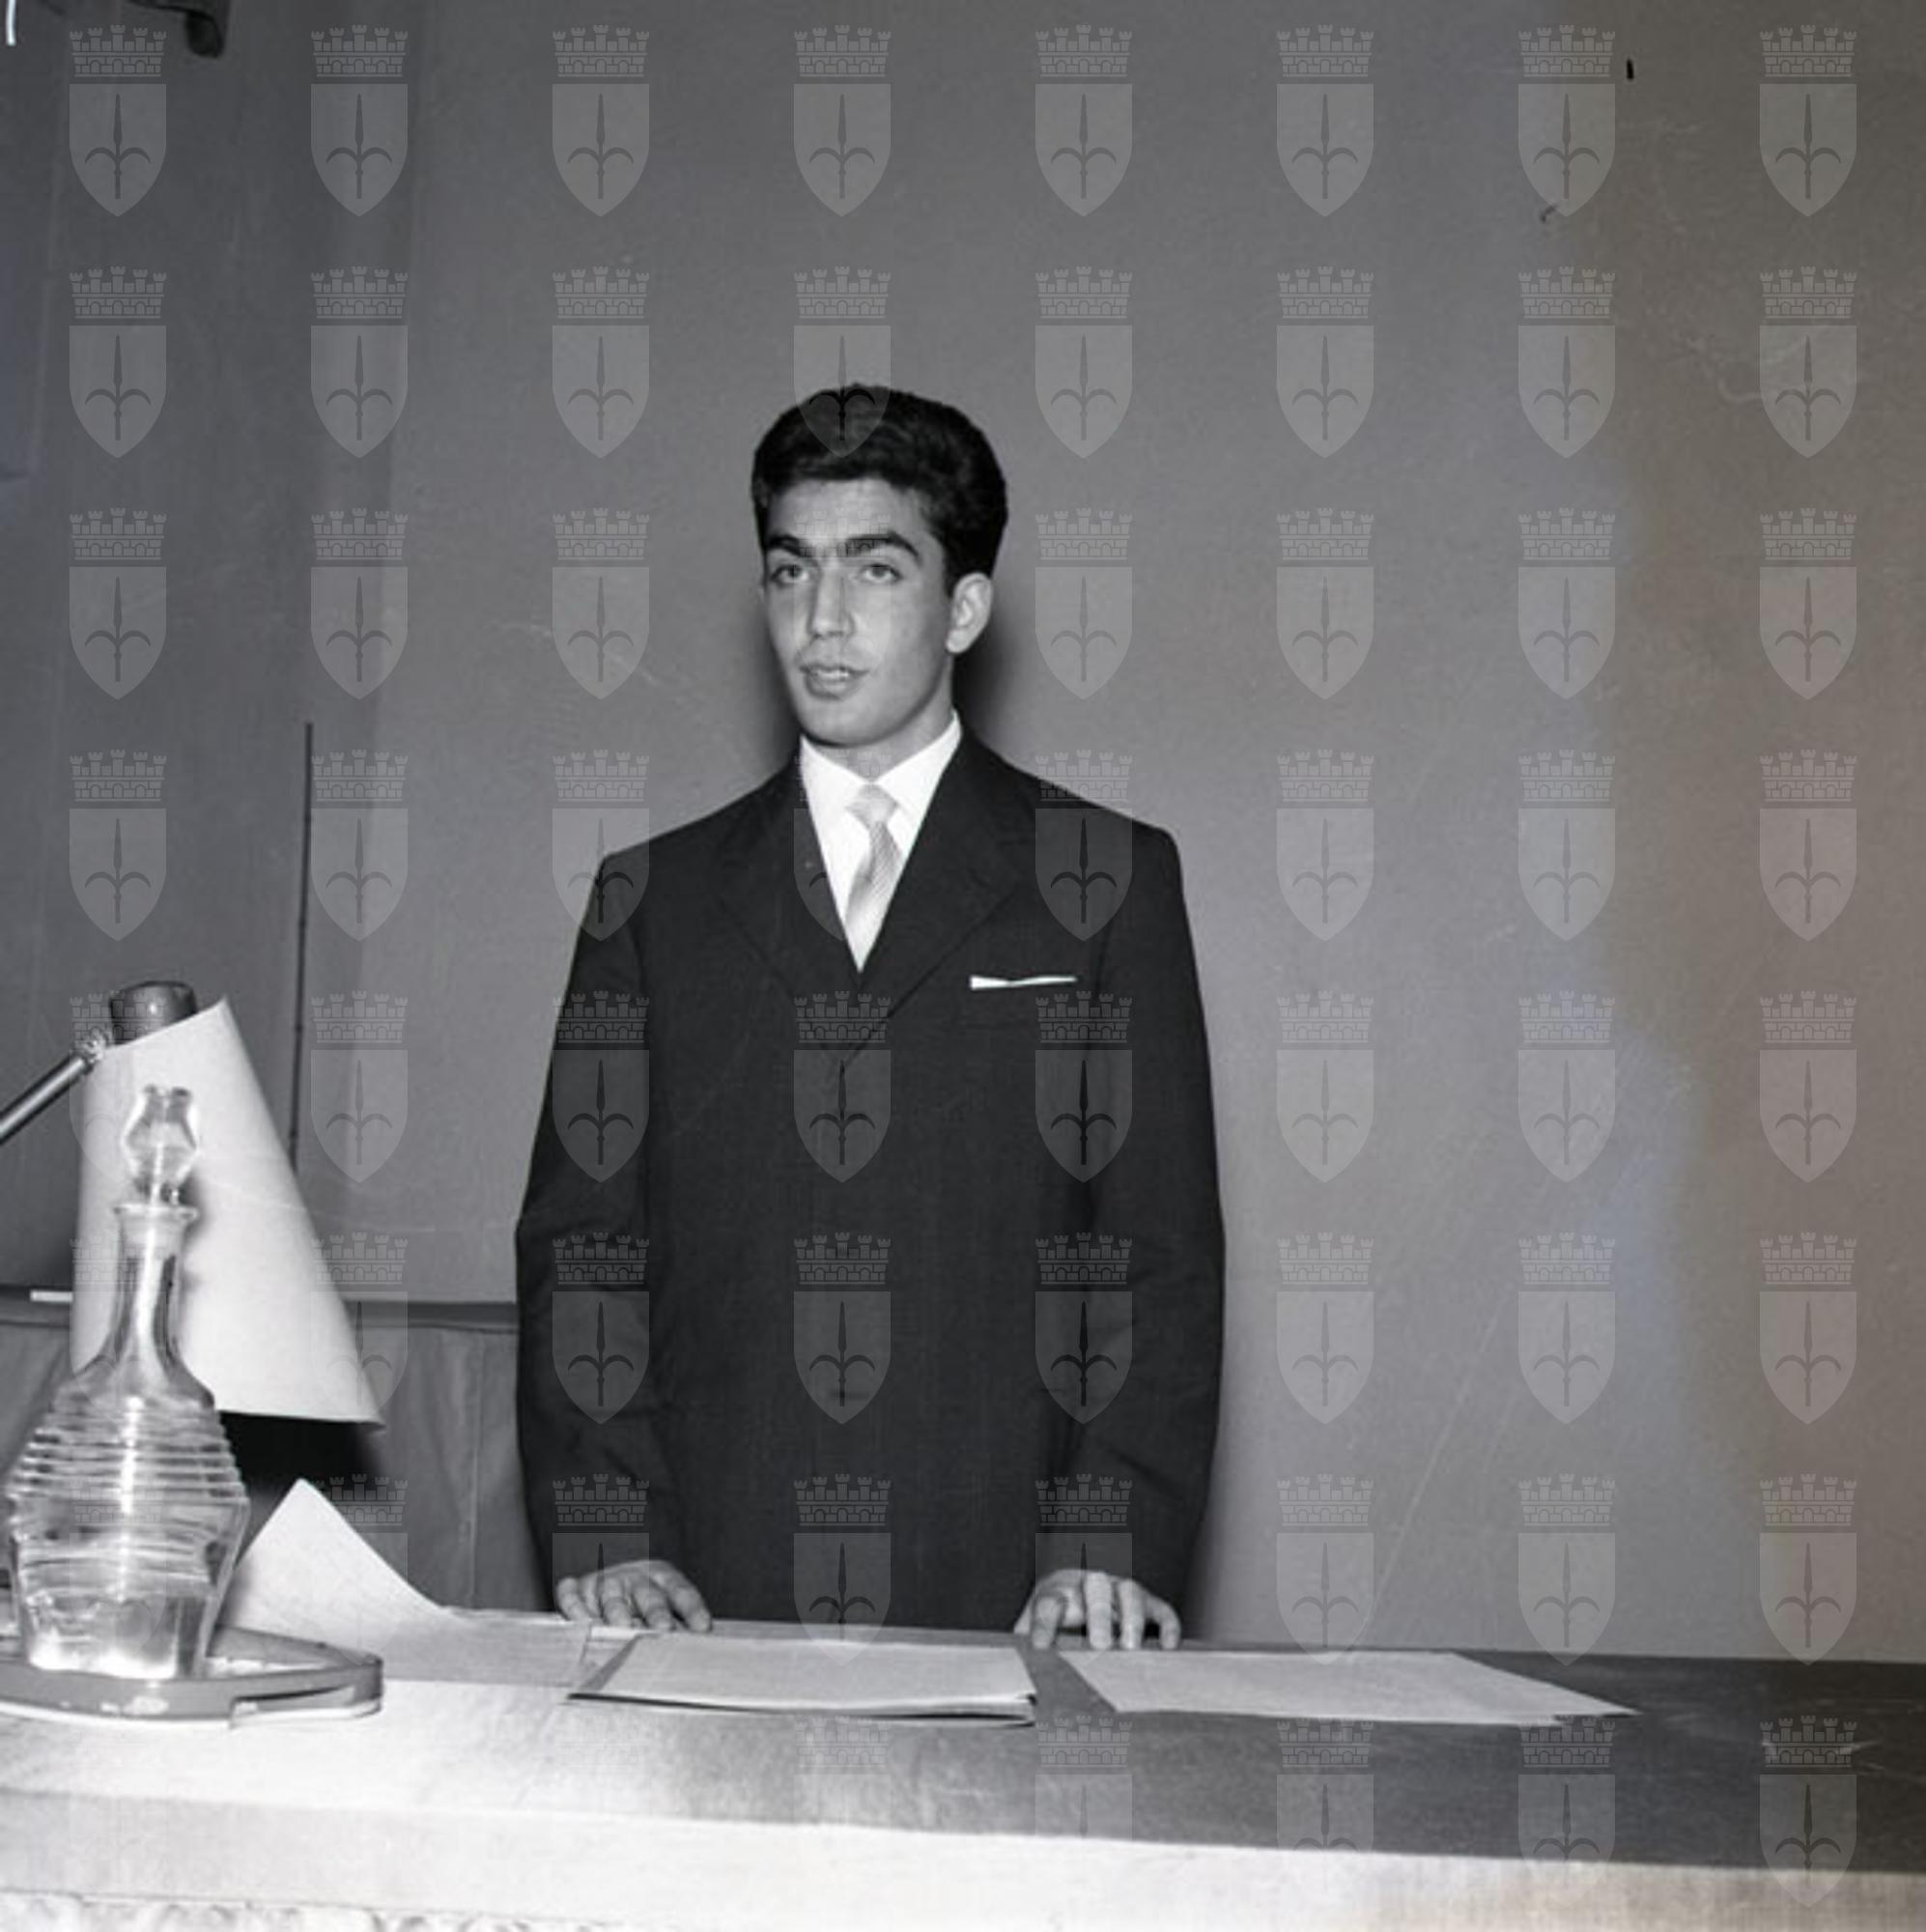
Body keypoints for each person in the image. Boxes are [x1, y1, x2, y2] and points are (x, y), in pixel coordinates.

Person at [514, 388, 1223, 1650]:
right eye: (792, 571)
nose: (822, 620)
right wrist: (608, 1530)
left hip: (1016, 1598)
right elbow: (584, 1253)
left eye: (875, 569)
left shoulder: (1107, 881)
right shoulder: (652, 902)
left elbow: (1150, 1256)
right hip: (698, 1600)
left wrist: (1104, 1548)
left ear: (964, 607)